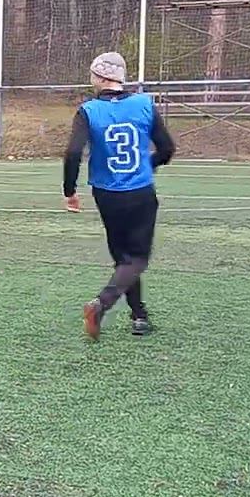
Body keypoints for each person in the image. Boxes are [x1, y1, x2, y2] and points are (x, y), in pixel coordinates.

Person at [62, 52, 175, 339]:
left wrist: (70, 191)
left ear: (99, 77)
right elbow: (167, 149)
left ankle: (139, 316)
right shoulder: (143, 104)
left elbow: (73, 153)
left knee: (124, 258)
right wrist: (147, 164)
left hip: (107, 194)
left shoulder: (88, 110)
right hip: (139, 191)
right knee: (136, 259)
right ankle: (101, 304)